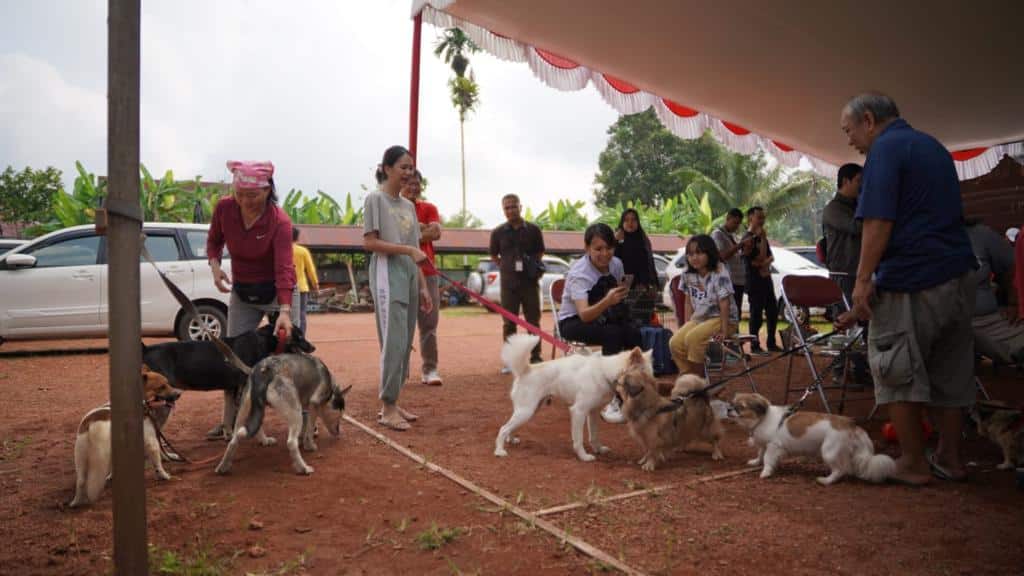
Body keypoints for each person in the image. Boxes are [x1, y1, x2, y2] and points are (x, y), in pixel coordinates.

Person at [836, 92, 977, 485]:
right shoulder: (933, 147)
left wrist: (863, 280)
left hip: (913, 279)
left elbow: (878, 220)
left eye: (849, 131)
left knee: (895, 367)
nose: (850, 141)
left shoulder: (884, 151)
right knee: (951, 371)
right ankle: (950, 458)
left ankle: (913, 462)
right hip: (957, 275)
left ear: (868, 120)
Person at [206, 160, 298, 439]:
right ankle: (230, 421)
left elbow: (284, 267)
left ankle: (303, 419)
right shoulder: (224, 208)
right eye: (240, 194)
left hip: (277, 291)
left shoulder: (279, 221)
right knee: (233, 357)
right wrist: (215, 266)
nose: (246, 201)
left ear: (268, 190)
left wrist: (284, 310)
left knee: (292, 353)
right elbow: (214, 240)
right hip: (243, 291)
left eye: (253, 195)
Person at [363, 145, 433, 431]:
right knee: (392, 341)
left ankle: (395, 400)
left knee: (404, 342)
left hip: (409, 275)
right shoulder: (375, 199)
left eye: (411, 167)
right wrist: (407, 250)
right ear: (387, 168)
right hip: (387, 274)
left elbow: (416, 250)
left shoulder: (408, 206)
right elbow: (370, 242)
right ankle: (387, 406)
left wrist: (423, 286)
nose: (408, 172)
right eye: (403, 167)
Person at [557, 222, 642, 422]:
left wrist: (621, 295)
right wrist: (608, 301)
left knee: (634, 333)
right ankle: (613, 398)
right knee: (613, 334)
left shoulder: (616, 264)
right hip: (573, 321)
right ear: (587, 248)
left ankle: (636, 390)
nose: (605, 254)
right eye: (598, 249)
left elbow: (617, 293)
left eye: (609, 248)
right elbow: (585, 315)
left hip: (605, 316)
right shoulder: (579, 274)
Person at [823, 163, 870, 384]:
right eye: (859, 181)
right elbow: (857, 227)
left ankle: (860, 370)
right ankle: (839, 370)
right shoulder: (833, 209)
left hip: (860, 273)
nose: (862, 185)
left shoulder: (856, 205)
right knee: (843, 323)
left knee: (863, 323)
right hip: (842, 274)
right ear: (845, 181)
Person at [668, 235, 739, 375]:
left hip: (723, 319)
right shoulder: (687, 274)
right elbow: (688, 302)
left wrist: (724, 331)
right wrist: (687, 325)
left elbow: (724, 302)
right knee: (675, 342)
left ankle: (698, 379)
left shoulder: (719, 271)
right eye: (690, 254)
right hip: (700, 319)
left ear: (709, 253)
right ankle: (688, 376)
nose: (694, 257)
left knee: (693, 338)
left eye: (699, 253)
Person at [490, 193, 546, 368]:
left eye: (513, 206)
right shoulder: (497, 233)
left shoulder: (534, 230)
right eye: (506, 208)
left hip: (530, 283)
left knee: (533, 321)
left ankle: (536, 356)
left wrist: (530, 265)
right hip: (508, 284)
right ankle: (510, 361)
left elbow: (540, 252)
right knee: (509, 323)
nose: (510, 210)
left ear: (520, 207)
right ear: (503, 210)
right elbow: (494, 255)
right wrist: (506, 266)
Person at [400, 170, 444, 386]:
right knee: (402, 326)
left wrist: (412, 230)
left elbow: (436, 233)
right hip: (401, 271)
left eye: (417, 184)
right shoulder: (394, 208)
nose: (413, 187)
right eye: (409, 183)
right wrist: (421, 228)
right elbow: (395, 237)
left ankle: (430, 369)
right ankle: (400, 371)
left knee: (429, 324)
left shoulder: (429, 208)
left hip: (428, 273)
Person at [966, 219, 1024, 365]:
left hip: (988, 321)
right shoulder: (917, 240)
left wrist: (1014, 302)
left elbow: (1011, 267)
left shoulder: (980, 234)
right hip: (941, 325)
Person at [741, 206, 779, 354]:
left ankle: (771, 343)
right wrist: (763, 260)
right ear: (751, 218)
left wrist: (763, 263)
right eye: (759, 217)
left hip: (766, 279)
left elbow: (770, 257)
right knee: (756, 314)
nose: (762, 221)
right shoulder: (747, 238)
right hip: (754, 281)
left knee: (773, 311)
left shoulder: (763, 237)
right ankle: (755, 345)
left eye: (763, 218)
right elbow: (758, 259)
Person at [711, 208, 751, 313]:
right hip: (727, 281)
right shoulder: (718, 234)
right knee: (729, 312)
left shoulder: (732, 236)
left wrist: (744, 252)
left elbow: (735, 256)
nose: (736, 226)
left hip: (738, 281)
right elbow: (722, 256)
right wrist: (741, 245)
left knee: (736, 312)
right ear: (727, 218)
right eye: (735, 223)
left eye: (738, 224)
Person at [614, 208, 658, 292]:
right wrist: (616, 241)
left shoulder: (643, 240)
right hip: (619, 286)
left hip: (642, 286)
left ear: (638, 222)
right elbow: (612, 261)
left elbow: (649, 263)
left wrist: (647, 283)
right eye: (626, 220)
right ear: (622, 222)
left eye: (633, 219)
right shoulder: (616, 240)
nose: (630, 223)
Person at [291, 227, 318, 335]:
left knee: (284, 314)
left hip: (285, 287)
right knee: (301, 314)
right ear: (297, 238)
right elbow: (311, 270)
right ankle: (300, 338)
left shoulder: (282, 249)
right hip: (301, 287)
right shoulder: (303, 251)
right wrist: (315, 284)